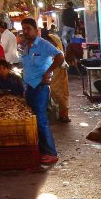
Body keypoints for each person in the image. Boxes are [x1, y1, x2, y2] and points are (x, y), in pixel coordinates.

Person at [20, 17, 64, 165]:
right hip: (29, 87)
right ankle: (41, 150)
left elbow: (60, 56)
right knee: (33, 120)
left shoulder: (43, 44)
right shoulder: (25, 46)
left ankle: (51, 153)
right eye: (24, 29)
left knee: (41, 120)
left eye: (28, 29)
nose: (25, 31)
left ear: (35, 30)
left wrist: (48, 72)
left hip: (40, 87)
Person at [46, 33, 70, 122]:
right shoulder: (52, 51)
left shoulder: (58, 52)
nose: (49, 43)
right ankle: (60, 115)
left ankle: (64, 116)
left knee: (61, 96)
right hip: (54, 77)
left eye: (51, 41)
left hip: (60, 78)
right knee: (56, 95)